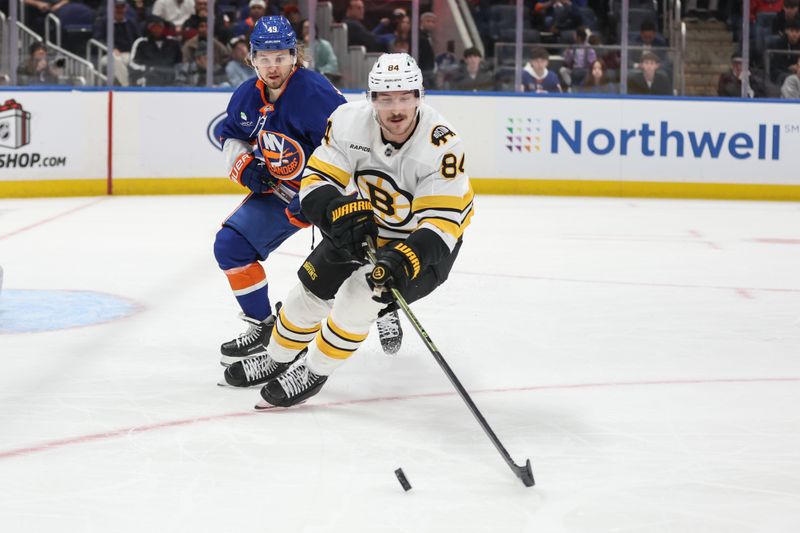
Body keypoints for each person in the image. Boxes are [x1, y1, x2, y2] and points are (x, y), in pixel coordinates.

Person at [226, 53, 474, 407]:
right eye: (385, 98)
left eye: (404, 97)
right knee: (306, 294)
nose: (396, 109)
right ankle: (276, 357)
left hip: (422, 243)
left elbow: (441, 224)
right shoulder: (347, 122)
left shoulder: (441, 146)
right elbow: (316, 180)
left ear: (420, 96)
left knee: (357, 299)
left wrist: (404, 260)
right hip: (367, 224)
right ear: (371, 98)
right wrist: (335, 211)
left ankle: (313, 370)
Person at [214, 16, 346, 369]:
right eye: (264, 58)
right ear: (252, 59)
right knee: (231, 246)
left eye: (280, 58)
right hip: (284, 189)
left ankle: (383, 310)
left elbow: (346, 149)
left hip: (335, 189)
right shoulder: (247, 95)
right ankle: (263, 326)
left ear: (294, 56)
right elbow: (231, 134)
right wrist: (244, 165)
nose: (273, 67)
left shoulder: (314, 93)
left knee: (358, 262)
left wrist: (318, 190)